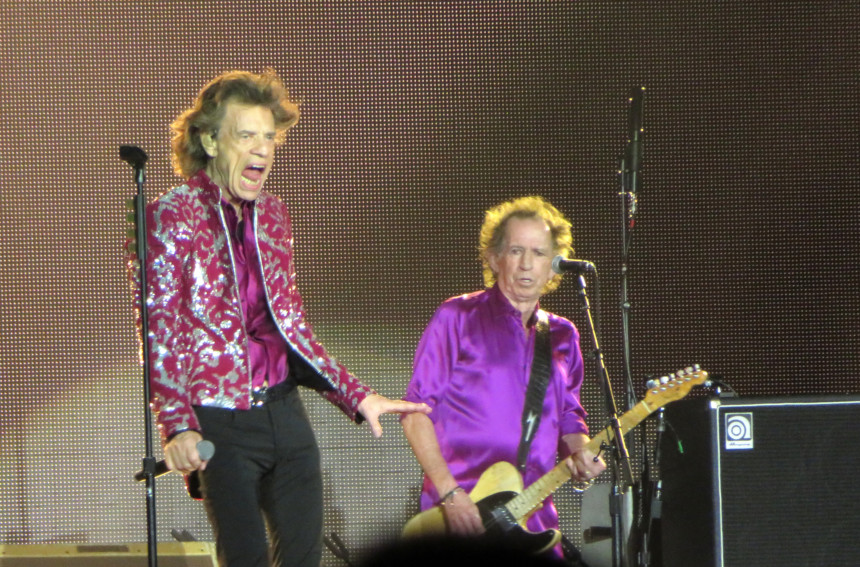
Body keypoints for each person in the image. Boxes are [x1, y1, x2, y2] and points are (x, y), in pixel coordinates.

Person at [128, 69, 429, 567]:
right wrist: (178, 426)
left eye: (269, 137)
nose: (263, 149)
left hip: (285, 416)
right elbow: (160, 330)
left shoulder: (273, 216)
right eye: (247, 135)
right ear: (209, 139)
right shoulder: (171, 215)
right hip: (220, 422)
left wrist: (356, 394)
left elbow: (292, 327)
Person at [400, 196, 606, 562]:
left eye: (539, 253)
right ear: (495, 258)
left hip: (533, 517)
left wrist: (581, 452)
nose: (527, 264)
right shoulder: (457, 316)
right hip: (461, 514)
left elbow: (569, 415)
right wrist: (450, 494)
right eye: (516, 250)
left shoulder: (563, 334)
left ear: (554, 265)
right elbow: (416, 413)